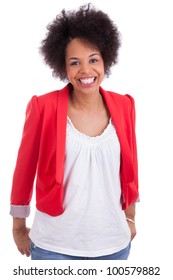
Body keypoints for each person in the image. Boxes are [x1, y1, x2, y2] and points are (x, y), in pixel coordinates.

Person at [10, 3, 139, 260]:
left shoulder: (125, 105)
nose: (86, 71)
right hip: (53, 247)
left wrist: (130, 217)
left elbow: (129, 165)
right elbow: (24, 168)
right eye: (74, 62)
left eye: (93, 59)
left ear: (105, 60)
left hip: (114, 246)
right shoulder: (42, 107)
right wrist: (18, 227)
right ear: (63, 66)